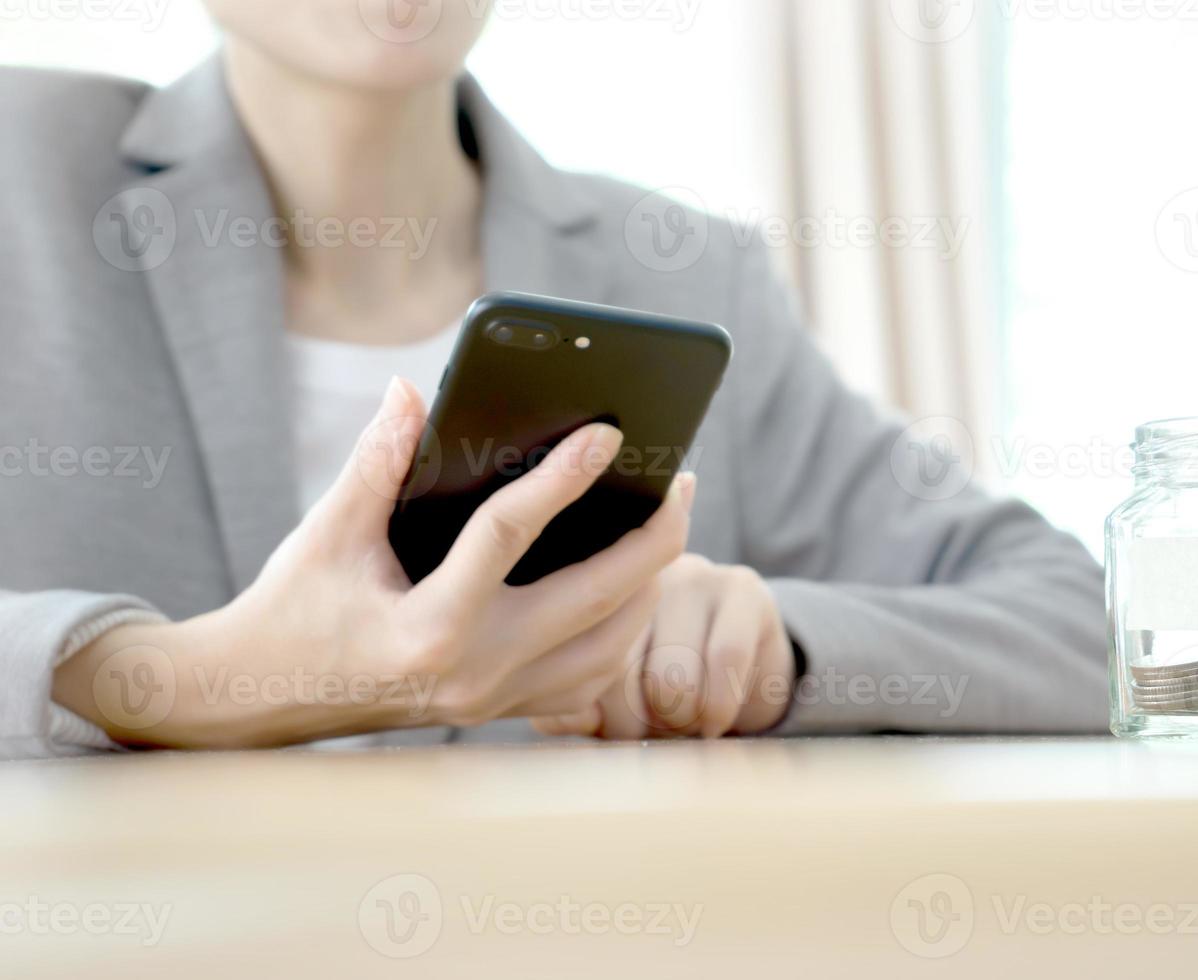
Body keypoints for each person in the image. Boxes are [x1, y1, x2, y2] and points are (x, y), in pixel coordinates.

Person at [0, 0, 1106, 758]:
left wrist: (781, 648)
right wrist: (181, 679)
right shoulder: (24, 178)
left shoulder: (683, 270)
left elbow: (1080, 626)